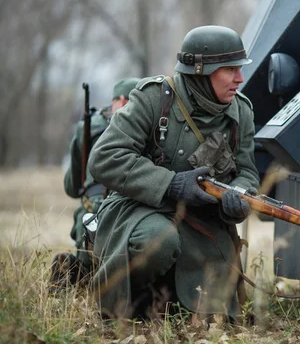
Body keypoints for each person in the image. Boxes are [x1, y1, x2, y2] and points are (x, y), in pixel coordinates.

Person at [87, 25, 260, 321]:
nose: (239, 79)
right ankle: (132, 304)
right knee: (158, 241)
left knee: (214, 315)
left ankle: (173, 304)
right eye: (229, 69)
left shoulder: (240, 112)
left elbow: (247, 172)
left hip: (201, 221)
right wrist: (170, 183)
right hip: (139, 209)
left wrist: (240, 195)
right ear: (201, 71)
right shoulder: (154, 98)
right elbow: (104, 158)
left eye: (239, 69)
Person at [49, 78, 140, 292]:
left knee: (88, 258)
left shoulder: (89, 128)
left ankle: (79, 274)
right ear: (121, 100)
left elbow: (72, 186)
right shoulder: (145, 125)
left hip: (94, 211)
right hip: (127, 209)